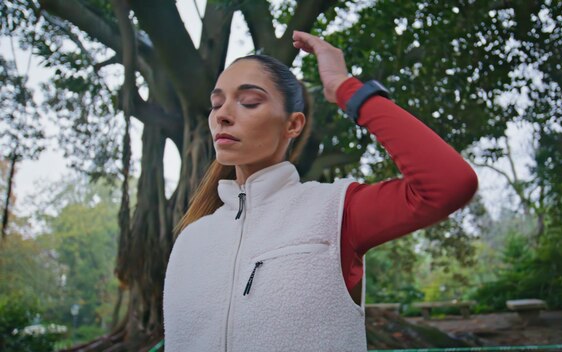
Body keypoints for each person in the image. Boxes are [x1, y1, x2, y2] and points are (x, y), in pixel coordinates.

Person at [164, 31, 478, 351]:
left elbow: (449, 183)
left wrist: (344, 88)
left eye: (249, 102)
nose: (222, 115)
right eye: (216, 104)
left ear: (293, 125)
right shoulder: (192, 238)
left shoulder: (335, 212)